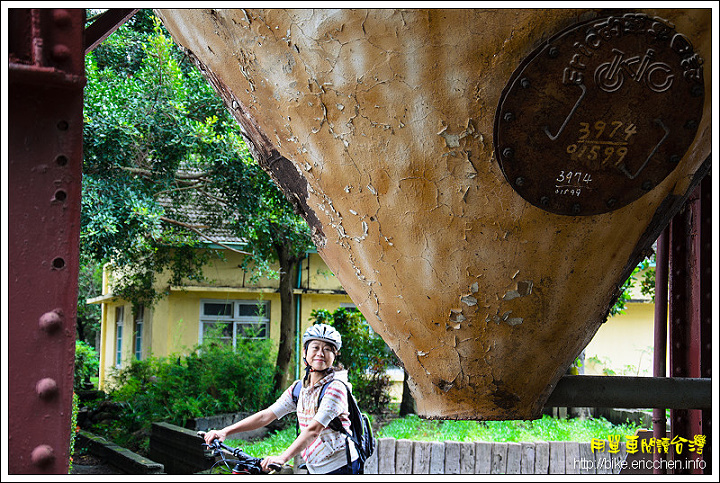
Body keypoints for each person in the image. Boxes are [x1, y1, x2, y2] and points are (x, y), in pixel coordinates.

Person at [202, 323, 360, 474]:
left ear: (335, 354)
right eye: (315, 348)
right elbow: (267, 415)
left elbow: (313, 430)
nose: (320, 353)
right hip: (315, 465)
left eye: (327, 349)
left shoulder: (336, 388)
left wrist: (282, 458)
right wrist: (225, 432)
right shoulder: (299, 388)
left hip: (341, 466)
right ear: (305, 352)